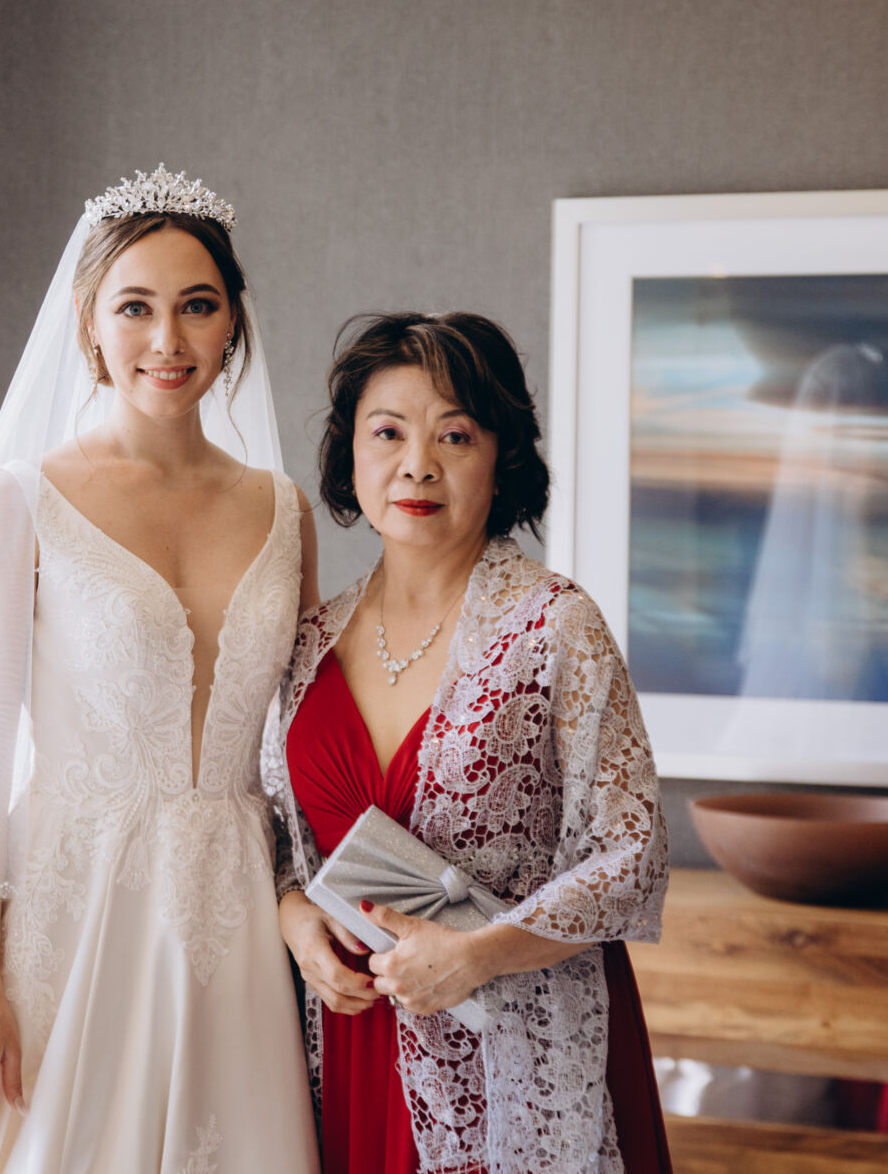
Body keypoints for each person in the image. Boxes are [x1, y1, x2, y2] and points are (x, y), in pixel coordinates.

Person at [0, 168, 321, 1173]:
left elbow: (296, 745)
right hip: (69, 912)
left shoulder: (284, 511)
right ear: (89, 322)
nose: (167, 339)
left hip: (233, 928)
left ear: (233, 323)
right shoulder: (25, 499)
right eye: (135, 307)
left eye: (197, 305)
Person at [266, 312, 672, 1174]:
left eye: (455, 435)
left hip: (517, 1042)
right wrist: (296, 922)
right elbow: (270, 840)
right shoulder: (305, 644)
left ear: (502, 458)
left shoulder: (555, 626)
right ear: (349, 456)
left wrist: (477, 956)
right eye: (388, 433)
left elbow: (631, 853)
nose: (418, 464)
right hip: (354, 1041)